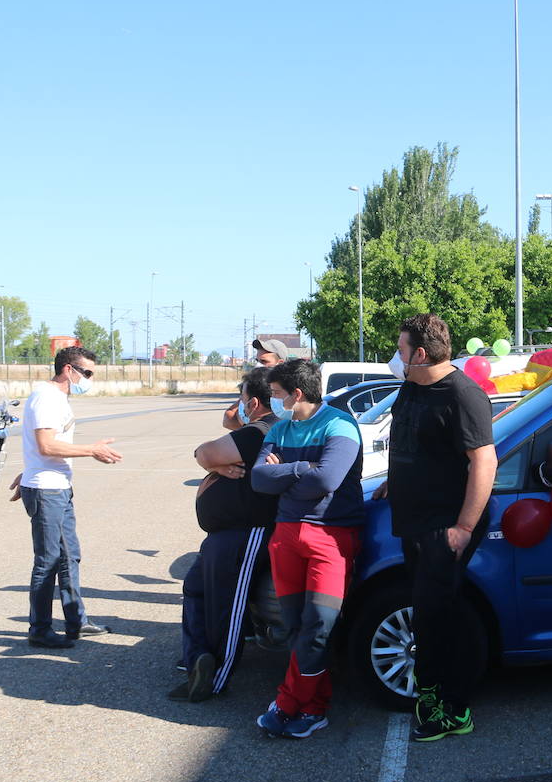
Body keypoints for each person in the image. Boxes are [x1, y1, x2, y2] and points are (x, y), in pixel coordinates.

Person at [378, 314, 495, 742]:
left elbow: (484, 461)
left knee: (437, 618)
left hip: (444, 525)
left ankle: (451, 709)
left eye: (401, 347)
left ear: (421, 353)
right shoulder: (412, 386)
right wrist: (396, 479)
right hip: (414, 520)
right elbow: (413, 441)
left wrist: (463, 528)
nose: (397, 355)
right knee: (429, 614)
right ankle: (438, 701)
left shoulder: (463, 395)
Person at [250, 358, 364, 738]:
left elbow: (328, 479)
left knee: (318, 627)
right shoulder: (280, 428)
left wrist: (288, 470)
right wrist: (303, 470)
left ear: (297, 394)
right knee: (296, 627)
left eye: (279, 394)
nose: (274, 400)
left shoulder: (339, 425)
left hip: (331, 538)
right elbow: (259, 480)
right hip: (286, 537)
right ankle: (313, 708)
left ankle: (285, 703)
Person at [170, 367, 279, 702]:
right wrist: (215, 467)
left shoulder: (260, 432)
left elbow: (204, 452)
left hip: (245, 533)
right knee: (196, 589)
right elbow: (210, 452)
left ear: (256, 402)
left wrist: (211, 463)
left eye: (242, 398)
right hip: (223, 534)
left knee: (228, 608)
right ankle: (198, 661)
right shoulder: (251, 429)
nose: (238, 405)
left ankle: (215, 679)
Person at [16, 346, 122, 649]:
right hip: (47, 490)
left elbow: (40, 448)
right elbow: (46, 445)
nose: (89, 379)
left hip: (56, 486)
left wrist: (25, 473)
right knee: (47, 561)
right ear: (67, 370)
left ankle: (76, 621)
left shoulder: (57, 397)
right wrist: (93, 449)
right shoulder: (47, 397)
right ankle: (39, 628)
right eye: (86, 373)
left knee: (69, 556)